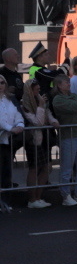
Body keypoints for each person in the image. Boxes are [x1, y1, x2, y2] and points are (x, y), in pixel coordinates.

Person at [50, 73, 77, 205]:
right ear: (59, 85)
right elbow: (74, 107)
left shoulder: (73, 96)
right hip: (68, 137)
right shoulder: (57, 99)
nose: (69, 84)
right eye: (65, 82)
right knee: (67, 168)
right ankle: (66, 195)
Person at [21, 77, 59, 208]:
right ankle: (32, 199)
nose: (38, 91)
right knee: (34, 168)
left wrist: (53, 120)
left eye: (38, 89)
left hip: (44, 139)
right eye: (36, 89)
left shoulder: (40, 100)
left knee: (47, 167)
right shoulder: (25, 104)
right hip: (33, 140)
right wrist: (41, 106)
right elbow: (38, 122)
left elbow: (47, 114)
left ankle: (38, 196)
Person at [0, 76, 25, 209]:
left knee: (6, 173)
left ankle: (5, 202)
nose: (0, 85)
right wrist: (11, 128)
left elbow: (17, 114)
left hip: (6, 141)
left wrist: (20, 124)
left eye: (2, 82)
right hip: (3, 135)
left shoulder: (10, 99)